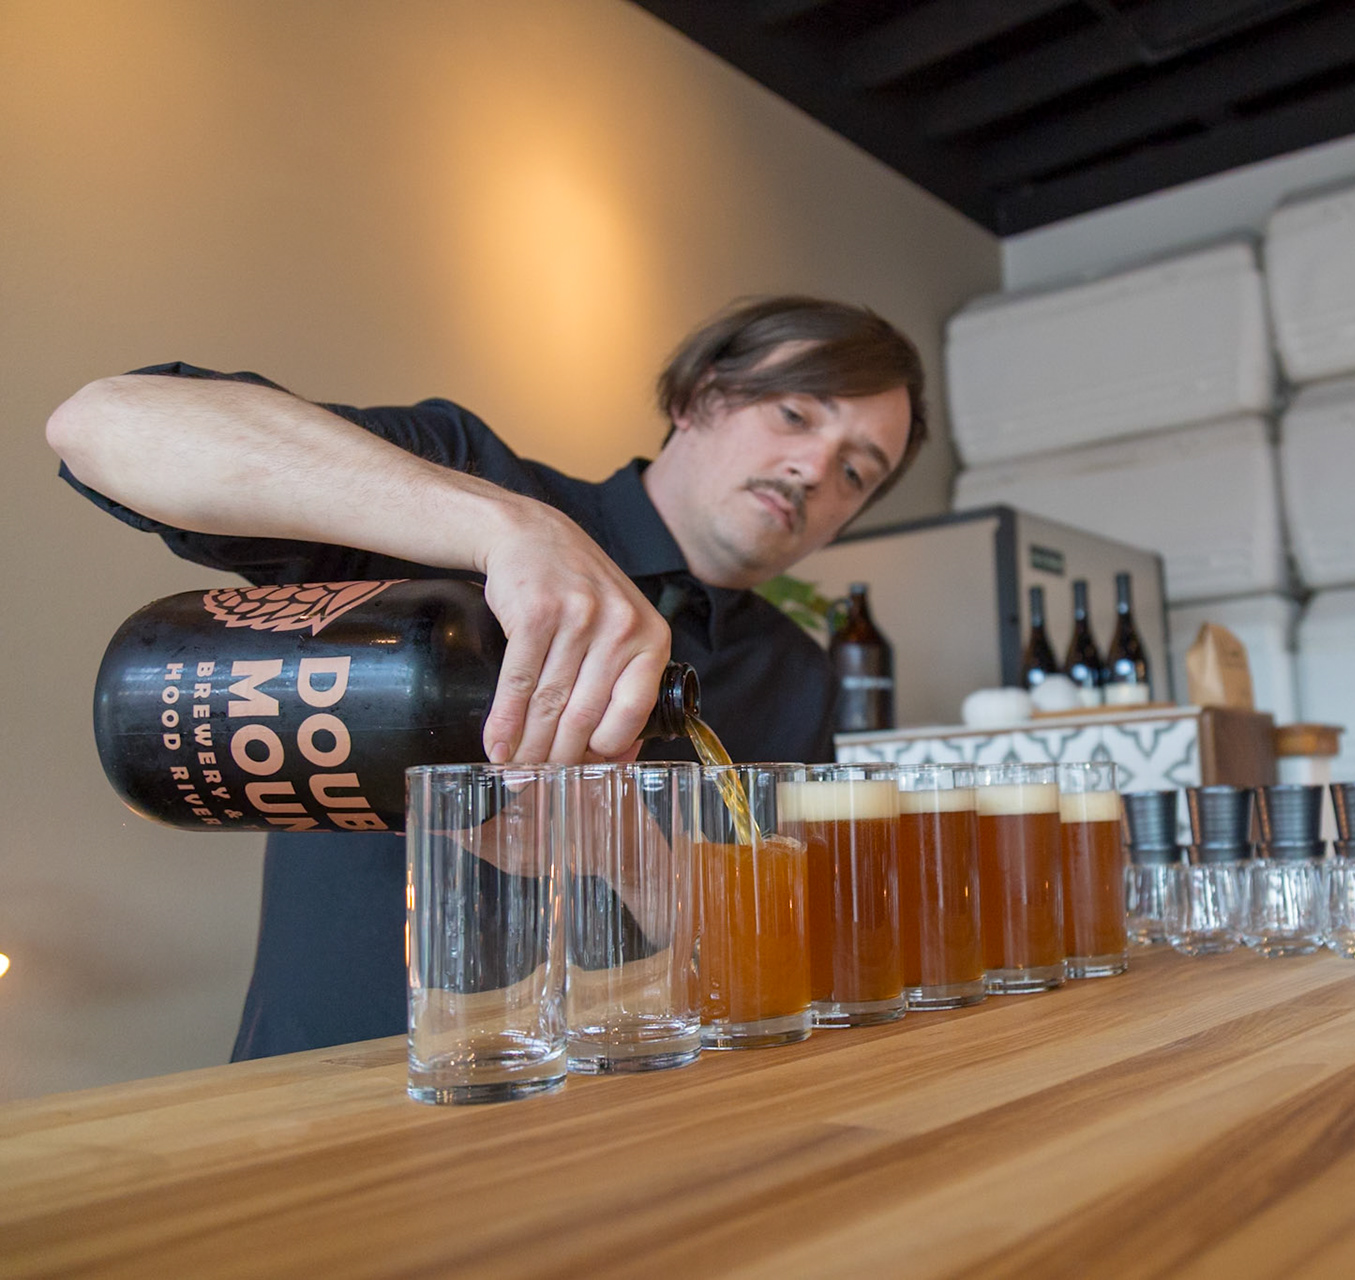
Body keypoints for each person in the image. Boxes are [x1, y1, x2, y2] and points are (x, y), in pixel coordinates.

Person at [47, 295, 927, 1058]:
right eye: (797, 416)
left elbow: (769, 953)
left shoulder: (795, 674)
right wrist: (500, 528)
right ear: (701, 397)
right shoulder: (474, 479)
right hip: (335, 1104)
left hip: (623, 1131)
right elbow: (101, 425)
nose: (815, 471)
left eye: (856, 471)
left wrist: (626, 856)